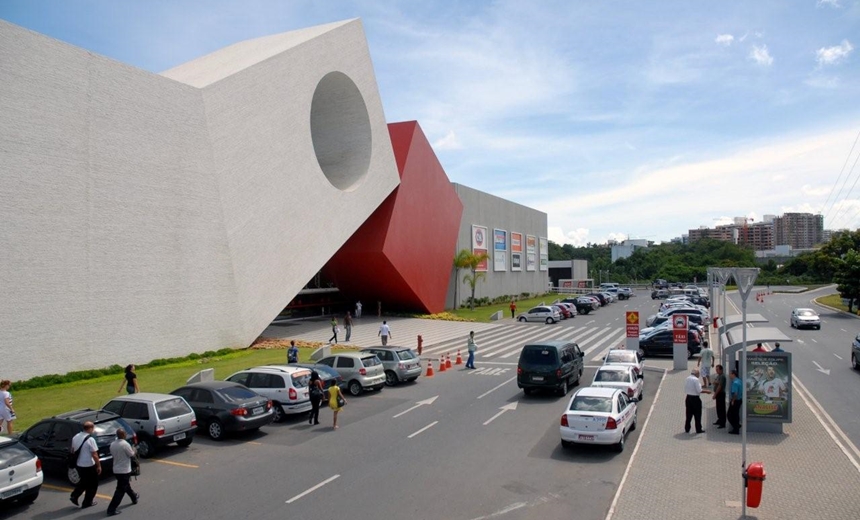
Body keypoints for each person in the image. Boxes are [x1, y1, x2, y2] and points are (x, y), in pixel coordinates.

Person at [107, 428, 139, 516]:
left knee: (125, 485)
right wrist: (134, 450)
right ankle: (111, 509)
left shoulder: (113, 444)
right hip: (124, 470)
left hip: (116, 469)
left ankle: (134, 497)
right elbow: (132, 454)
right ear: (123, 435)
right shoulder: (125, 444)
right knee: (120, 490)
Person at [70, 421, 101, 508]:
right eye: (93, 428)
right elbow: (94, 454)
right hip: (89, 465)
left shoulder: (75, 437)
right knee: (93, 484)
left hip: (79, 464)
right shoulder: (90, 439)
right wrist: (98, 465)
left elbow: (72, 450)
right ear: (90, 428)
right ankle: (87, 502)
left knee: (84, 481)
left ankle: (74, 495)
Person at [684, 368, 711, 434]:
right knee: (697, 415)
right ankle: (698, 429)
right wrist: (707, 391)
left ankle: (687, 428)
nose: (699, 375)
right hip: (695, 399)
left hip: (688, 398)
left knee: (688, 414)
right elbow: (699, 390)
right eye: (698, 374)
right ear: (696, 374)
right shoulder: (696, 380)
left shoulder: (687, 378)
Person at [728, 369, 743, 434]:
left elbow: (735, 393)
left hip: (735, 400)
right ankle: (737, 426)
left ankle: (736, 427)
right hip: (739, 400)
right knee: (736, 414)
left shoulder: (735, 383)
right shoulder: (739, 381)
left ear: (733, 374)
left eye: (730, 374)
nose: (729, 375)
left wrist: (733, 401)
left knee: (730, 415)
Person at [712, 364, 727, 429]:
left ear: (721, 370)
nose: (716, 371)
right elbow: (715, 382)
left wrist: (715, 394)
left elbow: (720, 386)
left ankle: (722, 422)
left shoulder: (722, 376)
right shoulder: (718, 376)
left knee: (721, 408)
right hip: (718, 394)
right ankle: (719, 419)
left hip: (720, 394)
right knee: (718, 408)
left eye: (717, 369)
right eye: (716, 369)